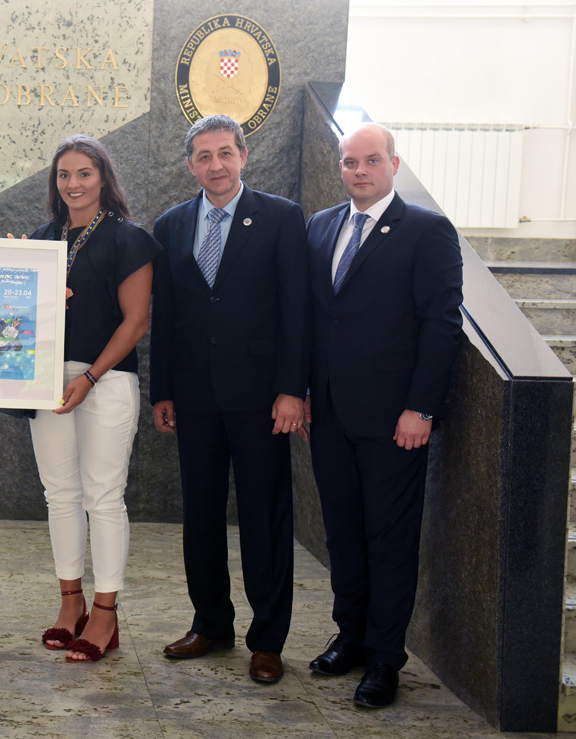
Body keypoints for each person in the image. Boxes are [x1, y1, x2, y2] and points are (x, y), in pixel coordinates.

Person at [305, 122, 463, 708]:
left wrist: (421, 407)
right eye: (350, 162)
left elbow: (441, 324)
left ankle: (384, 658)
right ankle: (350, 636)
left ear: (394, 164)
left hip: (396, 420)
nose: (360, 171)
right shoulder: (321, 226)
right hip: (330, 414)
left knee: (389, 539)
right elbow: (316, 317)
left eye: (372, 160)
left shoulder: (427, 230)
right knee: (343, 533)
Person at [150, 114, 310, 683]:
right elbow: (166, 314)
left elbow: (297, 309)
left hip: (261, 397)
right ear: (190, 165)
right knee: (200, 513)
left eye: (225, 153)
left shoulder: (281, 217)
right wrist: (162, 390)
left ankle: (267, 640)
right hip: (195, 395)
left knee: (265, 517)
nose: (215, 165)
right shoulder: (170, 224)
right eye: (204, 156)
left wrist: (292, 389)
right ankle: (211, 623)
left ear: (244, 155)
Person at [26, 135, 159, 663]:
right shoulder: (42, 238)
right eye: (64, 174)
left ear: (103, 177)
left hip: (106, 381)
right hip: (45, 380)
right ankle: (70, 603)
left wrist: (90, 377)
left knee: (103, 498)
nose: (73, 183)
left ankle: (105, 613)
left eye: (84, 173)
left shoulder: (129, 238)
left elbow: (136, 321)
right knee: (59, 495)